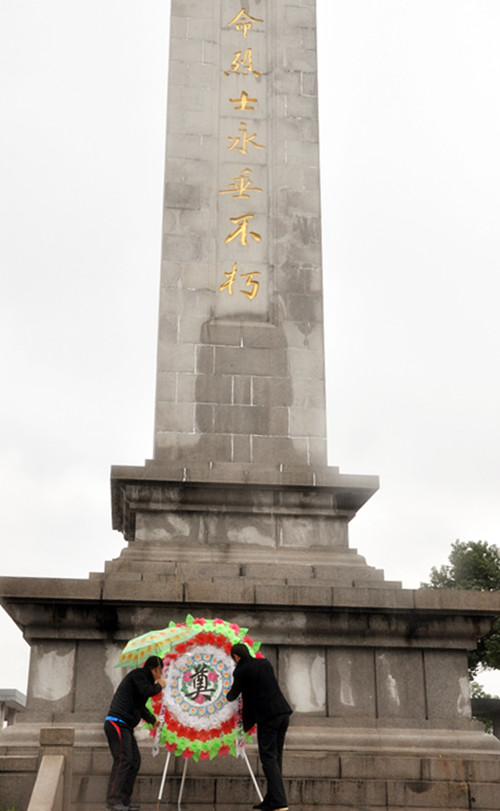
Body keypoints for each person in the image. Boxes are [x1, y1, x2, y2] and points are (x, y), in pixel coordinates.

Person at [226, 643, 292, 811]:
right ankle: (272, 798)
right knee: (276, 758)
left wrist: (222, 693)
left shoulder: (241, 670)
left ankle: (279, 801)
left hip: (268, 718)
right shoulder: (264, 663)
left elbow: (232, 695)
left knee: (268, 758)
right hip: (282, 713)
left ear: (236, 656)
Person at [104, 655, 166, 811]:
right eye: (160, 672)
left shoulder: (142, 681)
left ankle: (124, 800)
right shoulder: (138, 675)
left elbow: (140, 707)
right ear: (156, 669)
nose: (160, 675)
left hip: (125, 726)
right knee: (123, 759)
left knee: (134, 761)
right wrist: (159, 686)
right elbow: (147, 691)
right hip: (116, 723)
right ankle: (113, 800)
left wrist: (152, 720)